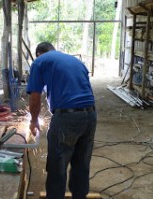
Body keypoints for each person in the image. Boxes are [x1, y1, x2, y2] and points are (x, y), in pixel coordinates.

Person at [26, 42, 97, 199]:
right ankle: (79, 196)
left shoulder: (39, 62)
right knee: (82, 162)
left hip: (66, 118)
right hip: (91, 115)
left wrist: (34, 120)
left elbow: (35, 96)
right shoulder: (76, 61)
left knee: (57, 164)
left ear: (39, 53)